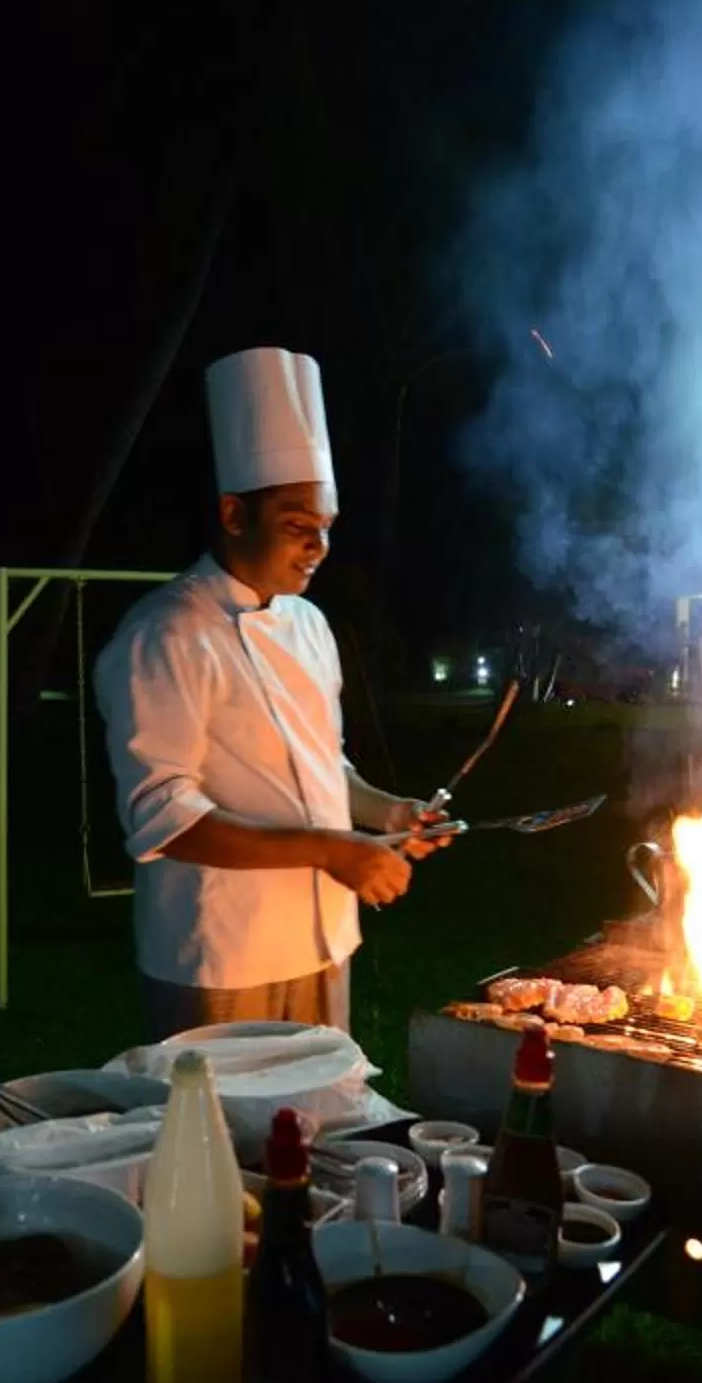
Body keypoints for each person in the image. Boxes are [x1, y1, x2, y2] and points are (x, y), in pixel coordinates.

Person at [95, 346, 450, 1036]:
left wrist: (390, 814)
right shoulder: (166, 635)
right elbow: (166, 817)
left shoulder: (309, 625)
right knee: (221, 1143)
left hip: (323, 940)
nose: (317, 547)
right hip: (221, 957)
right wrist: (334, 850)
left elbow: (324, 767)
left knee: (321, 1137)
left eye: (325, 529)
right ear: (234, 515)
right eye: (297, 527)